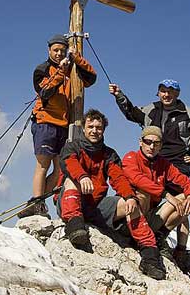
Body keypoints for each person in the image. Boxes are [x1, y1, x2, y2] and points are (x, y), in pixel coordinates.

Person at [109, 79, 190, 254]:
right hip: (151, 162)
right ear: (158, 93)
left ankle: (178, 248)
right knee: (145, 197)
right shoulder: (150, 109)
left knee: (181, 206)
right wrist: (119, 95)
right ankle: (140, 233)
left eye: (171, 91)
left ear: (177, 94)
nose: (166, 95)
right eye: (163, 91)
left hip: (177, 166)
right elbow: (131, 112)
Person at [57, 109, 166, 280]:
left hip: (96, 205)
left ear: (103, 130)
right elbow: (69, 163)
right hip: (71, 201)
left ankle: (149, 256)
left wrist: (129, 196)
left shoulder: (109, 154)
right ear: (84, 129)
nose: (94, 130)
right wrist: (82, 176)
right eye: (90, 126)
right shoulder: (72, 147)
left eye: (98, 127)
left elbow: (118, 178)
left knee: (131, 204)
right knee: (71, 180)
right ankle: (74, 226)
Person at [21, 34, 96, 218]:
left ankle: (37, 202)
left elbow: (92, 77)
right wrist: (61, 72)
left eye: (62, 51)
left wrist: (77, 58)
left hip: (64, 124)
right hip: (45, 121)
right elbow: (45, 92)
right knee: (43, 164)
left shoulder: (72, 69)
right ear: (49, 50)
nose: (58, 53)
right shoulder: (42, 69)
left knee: (61, 168)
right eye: (56, 50)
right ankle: (38, 203)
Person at [122, 126, 190, 265]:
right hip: (133, 214)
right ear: (141, 142)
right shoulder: (131, 157)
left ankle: (158, 236)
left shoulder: (164, 164)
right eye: (148, 142)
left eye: (156, 143)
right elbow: (137, 179)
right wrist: (166, 194)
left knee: (184, 199)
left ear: (161, 146)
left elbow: (186, 182)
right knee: (142, 193)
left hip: (152, 215)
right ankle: (137, 235)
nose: (151, 146)